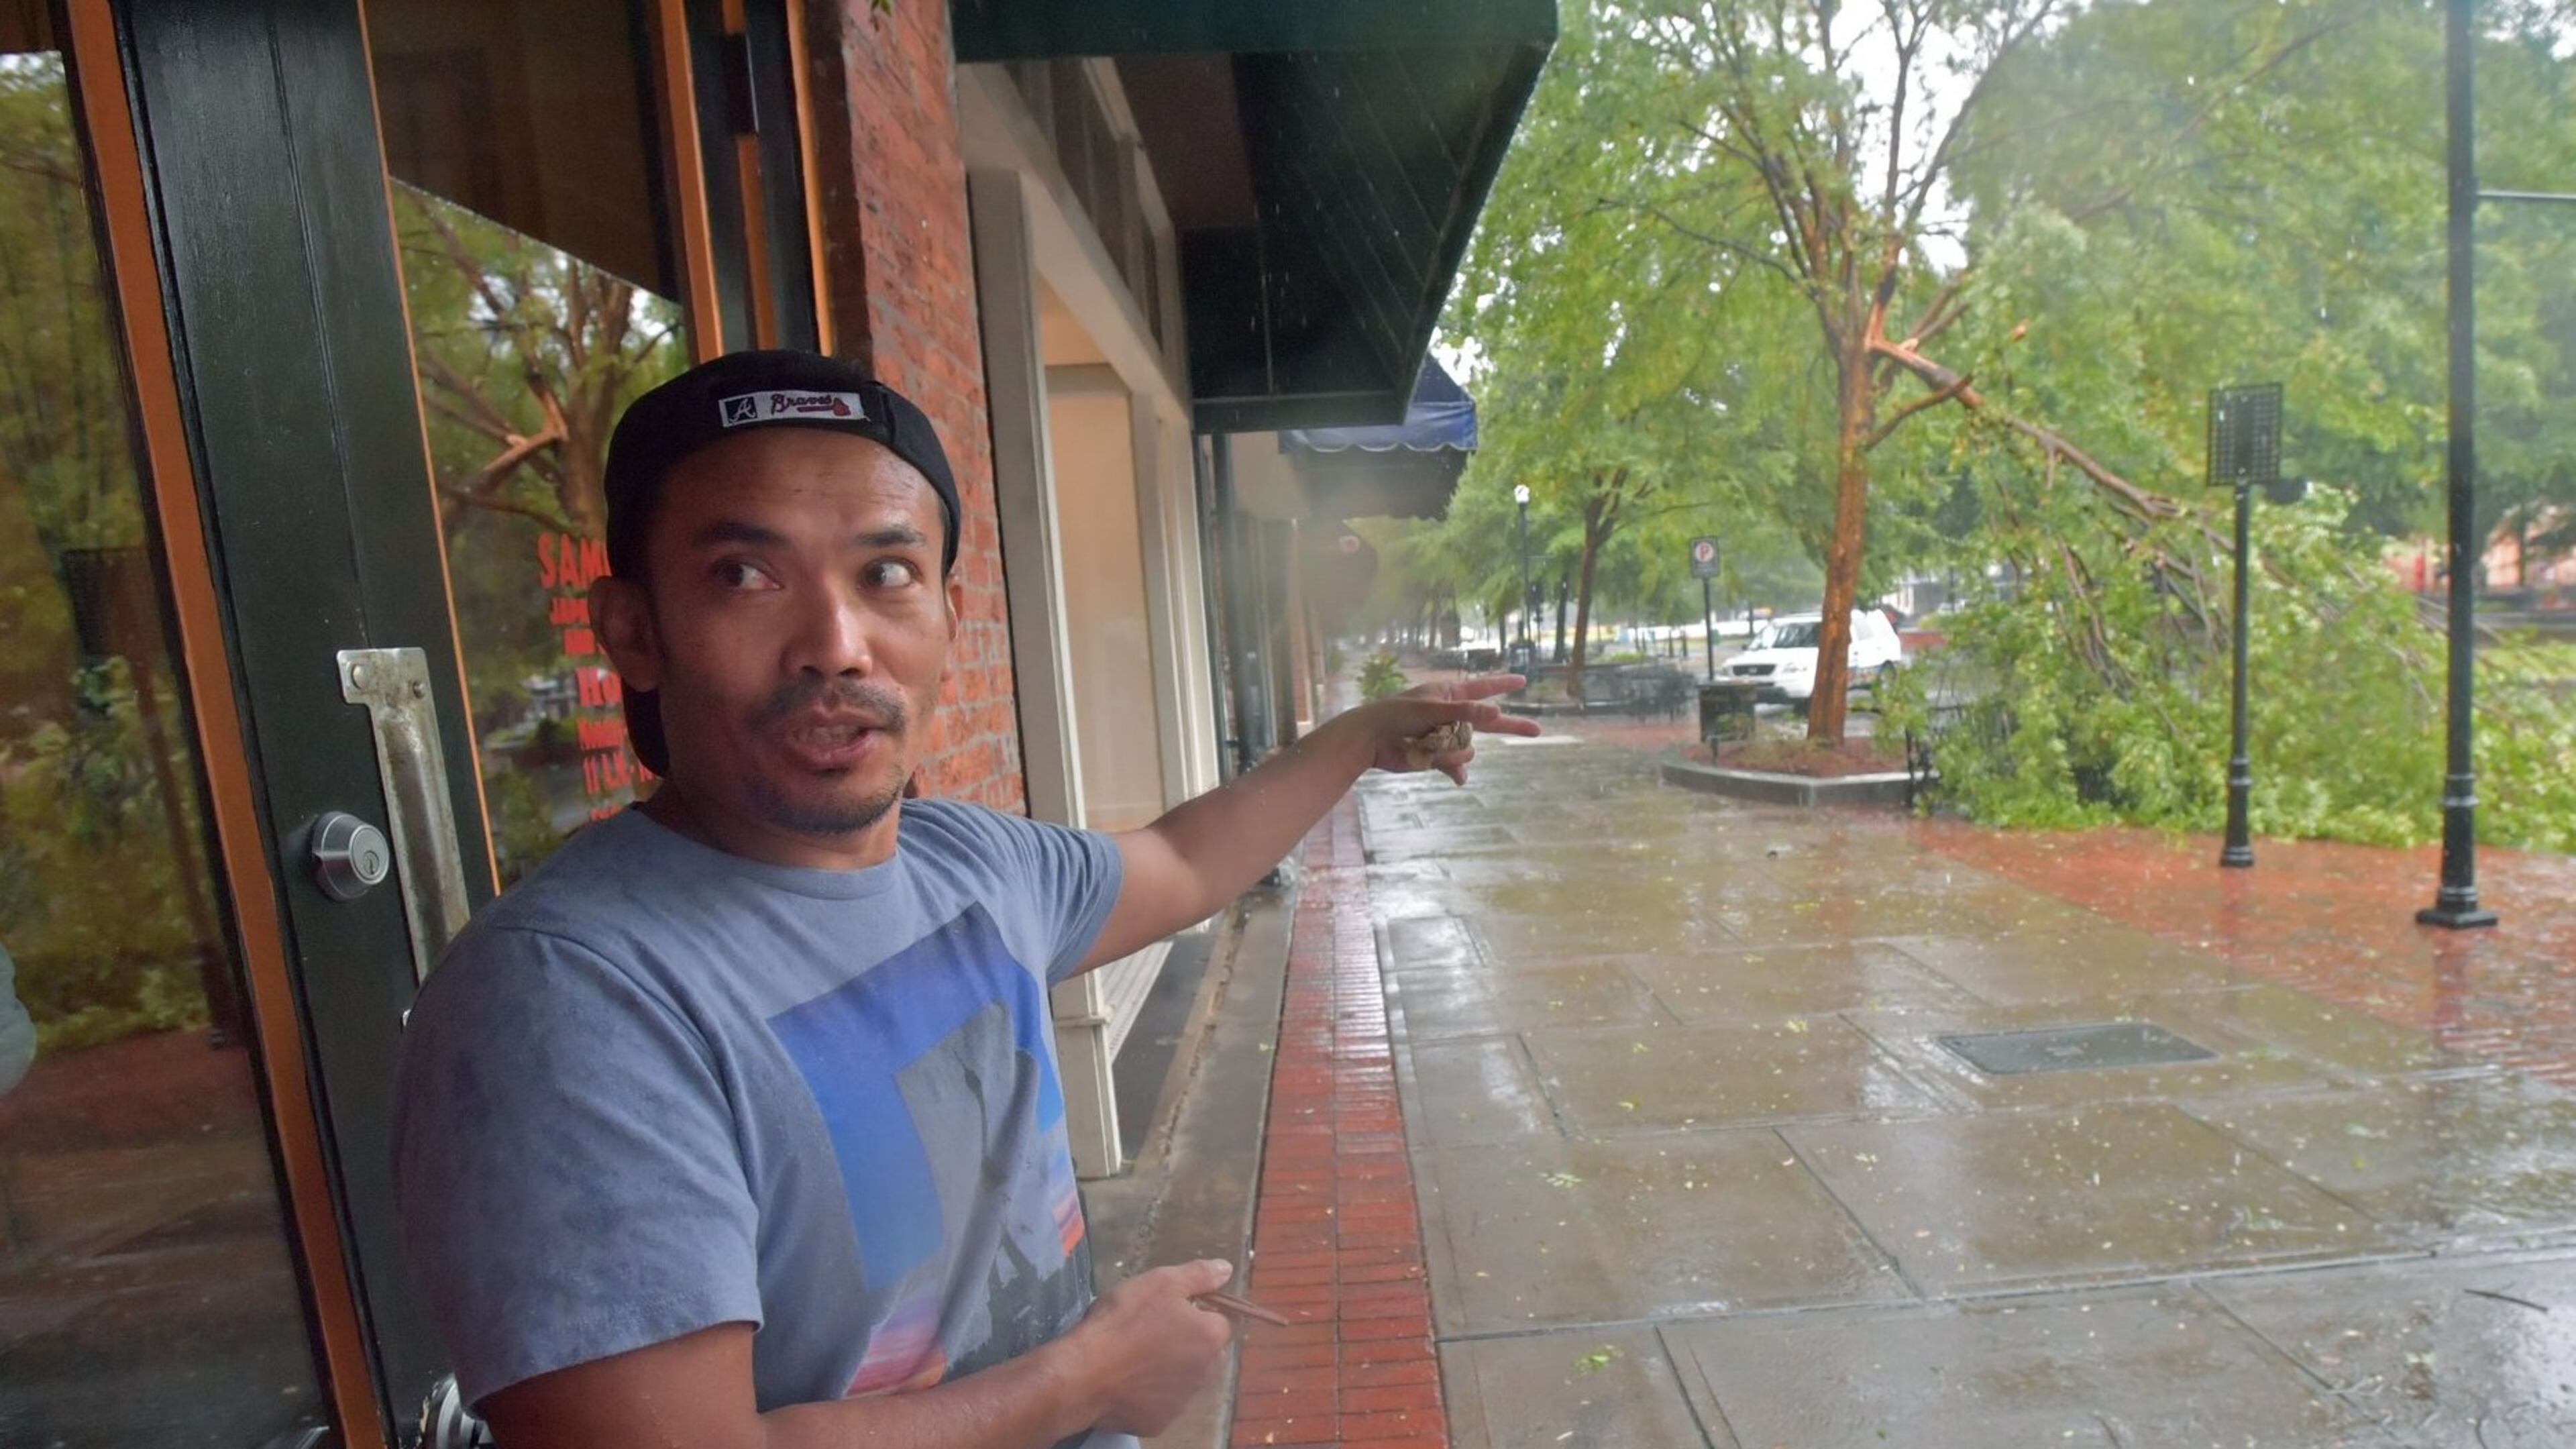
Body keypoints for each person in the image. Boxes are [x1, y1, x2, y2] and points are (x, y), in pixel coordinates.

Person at [390, 350, 1534, 1449]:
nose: (836, 646)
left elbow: (1183, 863)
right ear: (635, 632)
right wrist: (1087, 1377)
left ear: (947, 612)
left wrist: (1360, 737)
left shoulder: (970, 867)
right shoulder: (568, 1002)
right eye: (746, 575)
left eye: (884, 574)